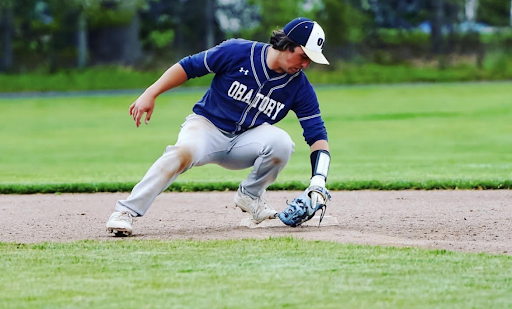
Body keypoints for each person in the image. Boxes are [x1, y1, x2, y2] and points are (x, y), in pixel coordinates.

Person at [106, 17, 332, 236]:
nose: (305, 65)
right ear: (288, 44)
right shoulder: (238, 51)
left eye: (309, 60)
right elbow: (189, 66)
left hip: (246, 140)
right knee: (181, 153)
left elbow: (317, 134)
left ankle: (250, 196)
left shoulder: (300, 87)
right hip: (206, 128)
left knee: (282, 143)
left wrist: (318, 181)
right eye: (303, 56)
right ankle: (125, 211)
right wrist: (151, 92)